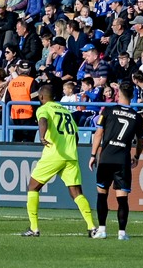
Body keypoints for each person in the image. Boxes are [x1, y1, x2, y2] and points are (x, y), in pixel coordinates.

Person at [19, 80, 97, 238]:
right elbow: (75, 135)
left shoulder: (44, 108)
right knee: (76, 192)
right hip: (71, 155)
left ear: (42, 96)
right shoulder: (65, 111)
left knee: (33, 187)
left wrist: (42, 136)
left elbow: (43, 120)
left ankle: (34, 228)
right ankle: (92, 227)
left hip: (54, 154)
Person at [89, 84, 143, 240]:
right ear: (132, 96)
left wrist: (93, 155)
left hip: (106, 158)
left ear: (118, 94)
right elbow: (140, 141)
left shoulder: (108, 111)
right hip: (122, 160)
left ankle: (102, 230)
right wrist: (137, 156)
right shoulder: (137, 117)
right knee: (122, 198)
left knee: (102, 195)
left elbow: (98, 134)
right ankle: (122, 233)